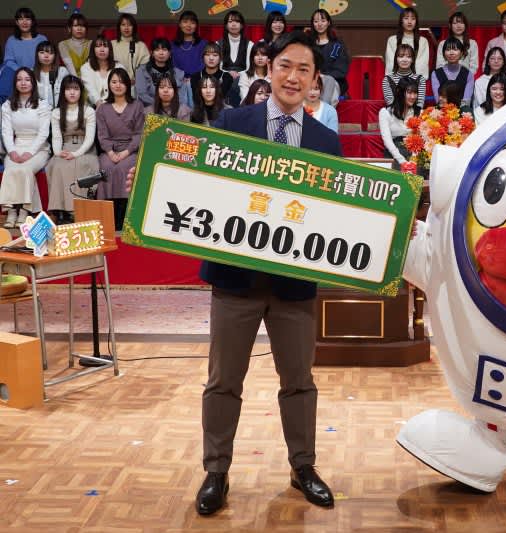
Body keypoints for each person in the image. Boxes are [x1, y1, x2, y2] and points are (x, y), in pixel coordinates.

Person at [188, 30, 341, 515]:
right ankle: (216, 472)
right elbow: (200, 181)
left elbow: (334, 214)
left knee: (299, 381)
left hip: (293, 286)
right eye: (285, 66)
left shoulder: (326, 142)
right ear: (268, 69)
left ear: (315, 81)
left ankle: (303, 467)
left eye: (303, 70)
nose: (293, 77)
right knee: (223, 381)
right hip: (234, 280)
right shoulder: (233, 122)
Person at [45, 75, 97, 224]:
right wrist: (58, 152)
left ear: (81, 91)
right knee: (57, 165)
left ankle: (77, 209)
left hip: (85, 149)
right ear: (63, 91)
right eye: (68, 89)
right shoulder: (56, 112)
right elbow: (56, 137)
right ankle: (59, 210)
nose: (72, 92)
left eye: (76, 89)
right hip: (65, 147)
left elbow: (90, 138)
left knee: (80, 164)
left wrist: (76, 154)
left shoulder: (88, 111)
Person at [0, 67, 49, 227]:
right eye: (19, 79)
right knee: (10, 169)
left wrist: (30, 153)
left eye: (27, 79)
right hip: (16, 145)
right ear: (15, 83)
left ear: (33, 83)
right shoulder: (7, 105)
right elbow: (7, 132)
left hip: (39, 148)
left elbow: (43, 133)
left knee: (25, 169)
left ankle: (24, 211)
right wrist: (12, 151)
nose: (23, 83)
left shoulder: (42, 105)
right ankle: (11, 211)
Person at [96, 67, 144, 229]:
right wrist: (110, 152)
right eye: (114, 82)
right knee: (106, 167)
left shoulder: (137, 106)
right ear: (109, 84)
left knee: (125, 168)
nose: (118, 85)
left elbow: (139, 134)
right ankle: (108, 216)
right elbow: (102, 135)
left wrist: (125, 152)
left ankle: (125, 215)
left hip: (130, 150)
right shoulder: (103, 108)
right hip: (109, 150)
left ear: (128, 85)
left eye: (122, 82)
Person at [1, 8, 48, 102]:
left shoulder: (41, 39)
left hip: (36, 72)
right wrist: (21, 71)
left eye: (28, 19)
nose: (24, 22)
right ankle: (2, 101)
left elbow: (46, 58)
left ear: (32, 22)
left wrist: (31, 71)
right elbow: (9, 61)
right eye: (21, 19)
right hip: (16, 72)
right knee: (7, 70)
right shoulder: (11, 40)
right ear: (17, 22)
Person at [379, 76, 420, 170]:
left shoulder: (419, 112)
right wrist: (402, 161)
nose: (413, 96)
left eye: (415, 93)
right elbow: (387, 141)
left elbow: (420, 140)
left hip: (414, 154)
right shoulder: (385, 112)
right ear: (400, 93)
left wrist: (413, 160)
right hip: (394, 154)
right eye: (409, 93)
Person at [135, 37, 190, 108]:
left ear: (169, 53)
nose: (161, 53)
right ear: (152, 53)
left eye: (164, 50)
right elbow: (142, 94)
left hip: (173, 109)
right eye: (157, 50)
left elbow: (181, 97)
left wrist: (169, 106)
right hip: (149, 108)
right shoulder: (142, 71)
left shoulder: (178, 73)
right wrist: (161, 105)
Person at [310, 8, 350, 96]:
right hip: (311, 81)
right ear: (313, 24)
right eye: (316, 21)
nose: (319, 24)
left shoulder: (337, 45)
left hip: (334, 82)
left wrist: (322, 76)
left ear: (328, 23)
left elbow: (341, 71)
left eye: (323, 21)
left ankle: (324, 105)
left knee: (328, 82)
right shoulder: (308, 44)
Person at [218, 10, 252, 107]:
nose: (233, 24)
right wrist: (228, 73)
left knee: (239, 82)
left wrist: (238, 74)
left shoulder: (249, 44)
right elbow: (218, 67)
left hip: (243, 76)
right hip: (223, 77)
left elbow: (249, 67)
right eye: (230, 21)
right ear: (226, 25)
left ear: (242, 25)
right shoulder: (219, 44)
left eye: (237, 21)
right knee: (227, 80)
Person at [384, 7, 430, 80]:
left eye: (413, 19)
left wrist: (410, 78)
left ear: (416, 22)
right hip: (396, 81)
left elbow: (422, 64)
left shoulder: (423, 41)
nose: (409, 21)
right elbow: (390, 63)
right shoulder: (392, 40)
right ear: (401, 21)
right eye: (406, 18)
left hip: (416, 81)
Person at [431, 37, 473, 107]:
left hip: (462, 111)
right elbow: (438, 100)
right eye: (448, 50)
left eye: (455, 49)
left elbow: (466, 102)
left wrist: (457, 112)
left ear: (461, 53)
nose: (451, 53)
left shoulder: (468, 74)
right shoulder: (436, 74)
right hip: (442, 110)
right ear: (444, 54)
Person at [80, 35, 121, 107]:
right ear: (93, 49)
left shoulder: (119, 67)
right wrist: (99, 103)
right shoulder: (86, 68)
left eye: (105, 46)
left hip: (116, 105)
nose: (102, 49)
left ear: (110, 49)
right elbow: (90, 89)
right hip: (93, 107)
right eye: (98, 46)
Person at [382, 43, 426, 108]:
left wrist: (412, 114)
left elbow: (419, 104)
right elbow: (390, 104)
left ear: (412, 60)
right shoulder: (387, 80)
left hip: (415, 113)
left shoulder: (420, 79)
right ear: (396, 59)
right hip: (394, 113)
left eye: (408, 57)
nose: (404, 60)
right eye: (401, 56)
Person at [110, 14, 149, 82]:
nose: (126, 28)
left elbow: (146, 68)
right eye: (123, 25)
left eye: (130, 25)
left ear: (134, 27)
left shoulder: (141, 46)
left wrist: (136, 79)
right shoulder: (111, 44)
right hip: (116, 84)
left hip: (136, 84)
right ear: (119, 27)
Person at [171, 10, 207, 81]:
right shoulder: (172, 45)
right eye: (185, 22)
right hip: (177, 81)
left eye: (192, 23)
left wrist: (193, 79)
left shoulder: (204, 44)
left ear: (196, 25)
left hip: (199, 81)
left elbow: (206, 65)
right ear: (180, 24)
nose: (188, 25)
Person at [33, 41, 68, 109]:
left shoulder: (62, 71)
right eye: (42, 52)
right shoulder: (31, 73)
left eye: (50, 53)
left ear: (55, 56)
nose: (46, 56)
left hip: (58, 110)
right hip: (38, 111)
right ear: (37, 55)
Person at [58, 12, 90, 77]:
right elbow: (69, 65)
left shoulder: (91, 43)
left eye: (82, 26)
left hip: (88, 77)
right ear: (69, 29)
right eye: (75, 26)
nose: (79, 29)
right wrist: (77, 81)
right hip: (70, 78)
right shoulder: (63, 44)